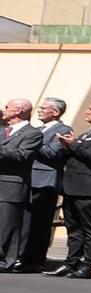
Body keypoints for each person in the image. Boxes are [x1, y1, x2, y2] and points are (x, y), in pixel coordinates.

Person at [46, 99, 91, 279]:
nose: (87, 111)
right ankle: (71, 262)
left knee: (90, 228)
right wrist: (66, 146)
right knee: (73, 227)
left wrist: (73, 144)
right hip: (72, 187)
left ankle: (88, 264)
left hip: (89, 188)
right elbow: (77, 154)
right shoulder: (87, 133)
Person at [23, 98, 71, 272]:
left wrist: (30, 144)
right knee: (24, 222)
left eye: (44, 108)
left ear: (55, 112)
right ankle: (22, 255)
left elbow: (53, 153)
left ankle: (35, 259)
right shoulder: (36, 130)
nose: (39, 110)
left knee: (40, 223)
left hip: (45, 182)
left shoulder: (64, 130)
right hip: (28, 180)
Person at [0, 98, 43, 271]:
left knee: (6, 225)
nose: (4, 110)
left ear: (18, 110)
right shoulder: (3, 130)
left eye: (7, 107)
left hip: (11, 185)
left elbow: (22, 155)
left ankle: (5, 261)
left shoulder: (32, 133)